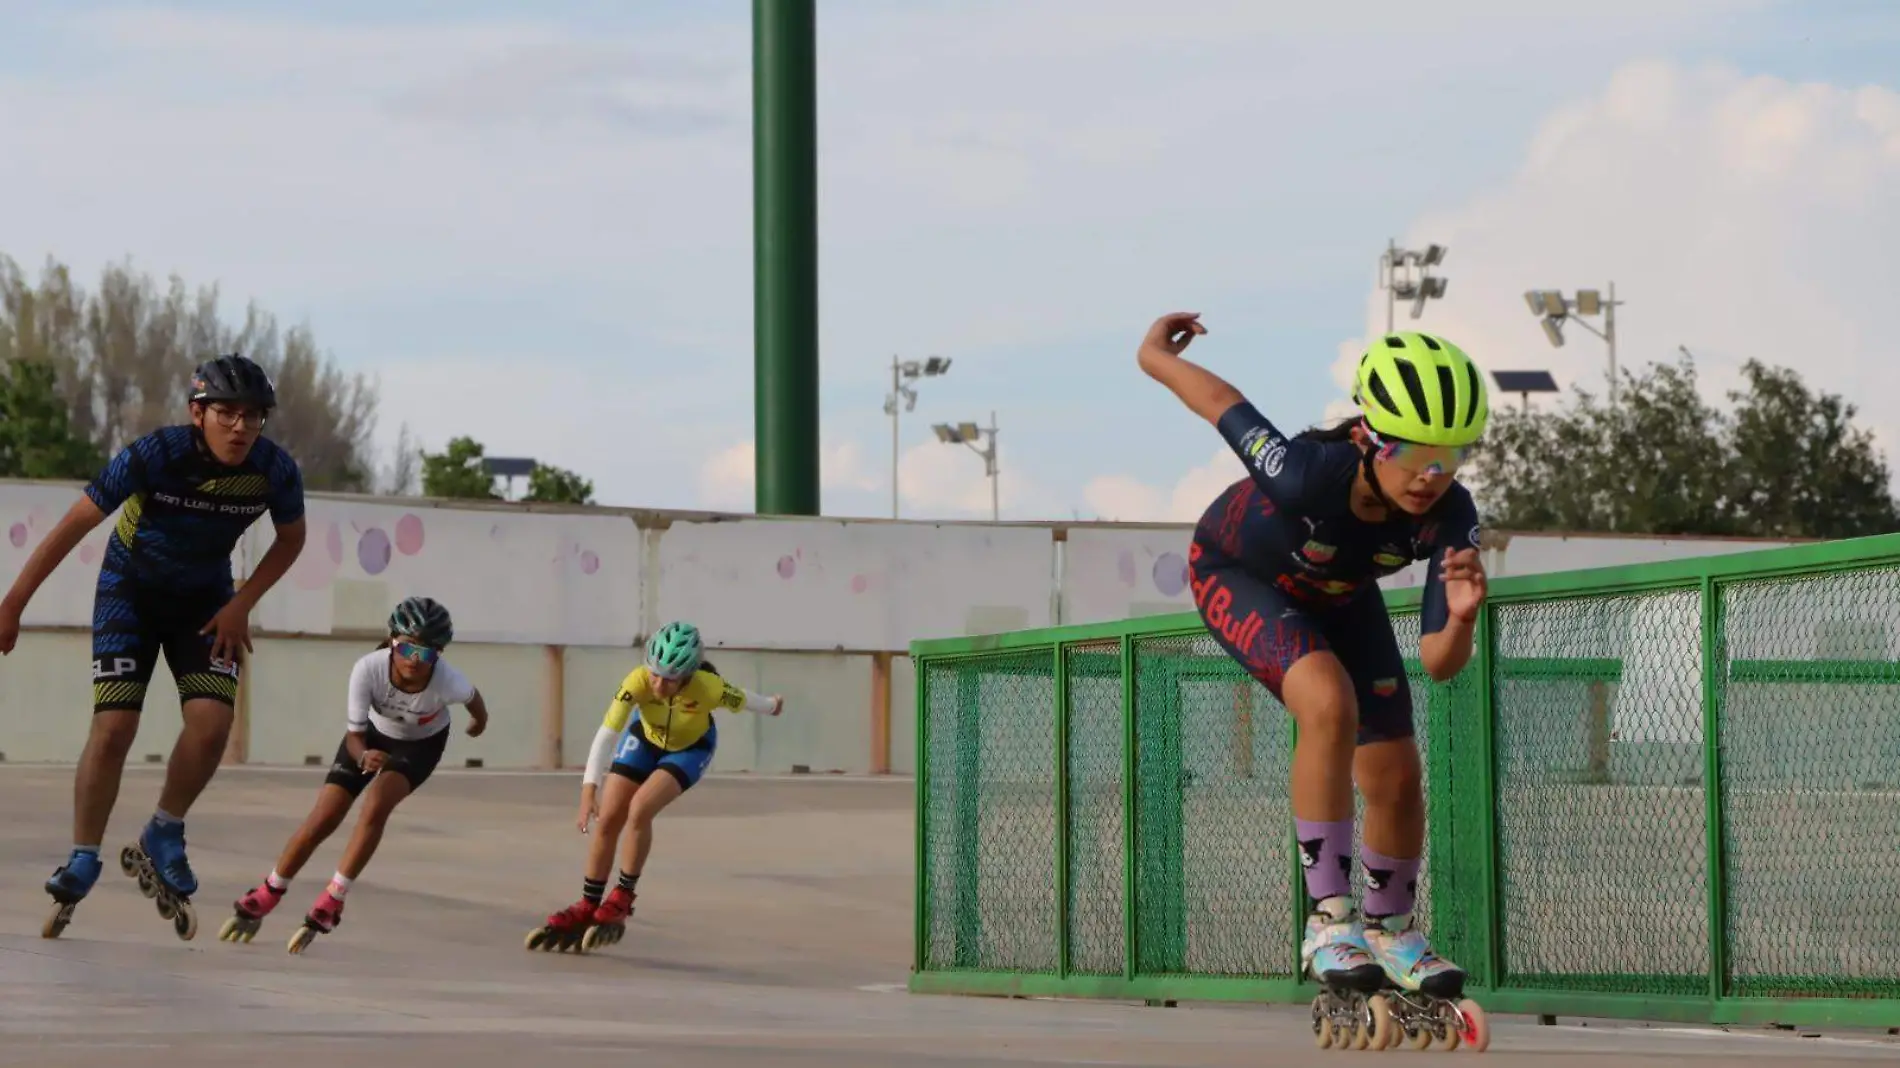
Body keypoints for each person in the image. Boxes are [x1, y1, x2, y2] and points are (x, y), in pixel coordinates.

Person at [1136, 311, 1489, 1002]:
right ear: (1369, 436)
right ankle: (1330, 919)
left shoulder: (1450, 515)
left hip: (1336, 592)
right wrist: (1153, 354)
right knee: (1328, 702)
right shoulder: (1306, 474)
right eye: (1415, 456)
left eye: (1453, 457)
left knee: (1395, 768)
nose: (1431, 477)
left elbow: (1440, 662)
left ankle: (1390, 929)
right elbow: (1219, 403)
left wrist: (1466, 619)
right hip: (1239, 573)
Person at [2, 354, 306, 941]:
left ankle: (163, 830)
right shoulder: (154, 455)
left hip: (206, 600)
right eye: (227, 414)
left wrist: (243, 602)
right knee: (115, 727)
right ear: (198, 413)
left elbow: (292, 540)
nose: (241, 428)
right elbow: (72, 525)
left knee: (213, 722)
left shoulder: (274, 471)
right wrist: (13, 604)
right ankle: (83, 852)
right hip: (130, 590)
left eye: (253, 417)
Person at [217, 596, 490, 952]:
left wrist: (478, 723)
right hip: (369, 738)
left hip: (420, 744)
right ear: (392, 640)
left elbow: (475, 701)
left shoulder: (448, 681)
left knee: (375, 806)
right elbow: (355, 736)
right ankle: (270, 890)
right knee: (324, 815)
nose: (413, 660)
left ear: (439, 654)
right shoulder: (368, 668)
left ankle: (333, 898)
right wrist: (364, 756)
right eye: (406, 648)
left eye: (425, 654)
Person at [526, 620, 784, 953]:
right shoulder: (637, 681)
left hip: (690, 748)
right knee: (609, 816)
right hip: (644, 737)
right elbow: (606, 734)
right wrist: (588, 789)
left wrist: (773, 705)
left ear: (689, 676)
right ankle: (588, 904)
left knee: (640, 809)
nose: (659, 684)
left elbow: (746, 699)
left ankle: (622, 896)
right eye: (654, 673)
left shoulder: (709, 688)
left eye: (669, 678)